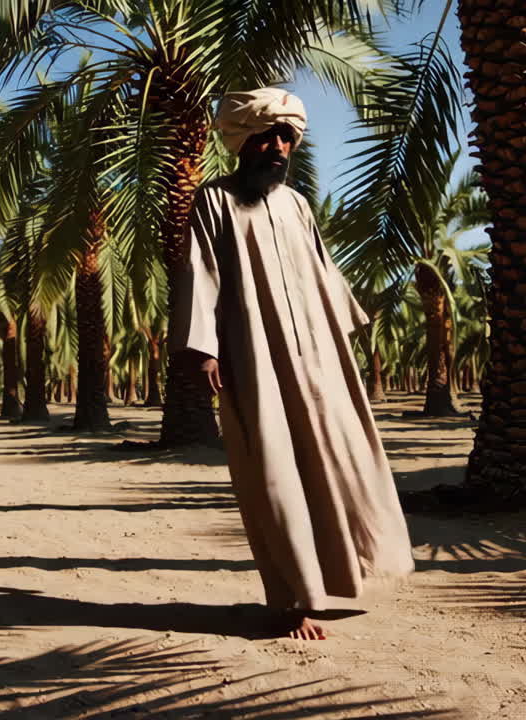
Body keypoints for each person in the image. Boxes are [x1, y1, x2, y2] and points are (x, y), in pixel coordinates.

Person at [168, 87, 414, 640]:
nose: (279, 146)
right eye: (268, 136)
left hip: (319, 356)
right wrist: (204, 347)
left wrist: (343, 335)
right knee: (273, 472)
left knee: (339, 459)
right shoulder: (215, 201)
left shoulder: (298, 203)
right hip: (253, 355)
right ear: (244, 142)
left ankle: (350, 574)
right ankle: (294, 600)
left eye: (287, 137)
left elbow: (325, 275)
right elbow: (198, 272)